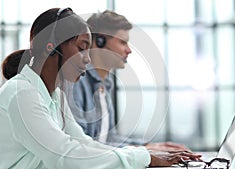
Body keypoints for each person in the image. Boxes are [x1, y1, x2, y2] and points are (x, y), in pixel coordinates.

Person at [0, 7, 201, 169]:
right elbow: (64, 155)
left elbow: (84, 144)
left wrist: (145, 154)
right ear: (52, 48)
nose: (87, 58)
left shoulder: (55, 96)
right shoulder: (21, 93)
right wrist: (144, 157)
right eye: (82, 48)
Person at [65, 10, 189, 152]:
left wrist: (149, 146)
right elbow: (82, 144)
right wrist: (143, 152)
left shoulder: (104, 85)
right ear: (99, 41)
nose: (129, 50)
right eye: (123, 42)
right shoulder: (76, 81)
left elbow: (108, 138)